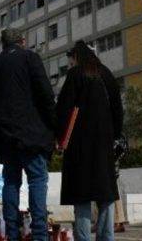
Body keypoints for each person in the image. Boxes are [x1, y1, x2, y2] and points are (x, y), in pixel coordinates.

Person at [0, 28, 56, 241]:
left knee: (11, 182)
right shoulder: (30, 58)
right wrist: (53, 126)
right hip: (31, 133)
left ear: (2, 45)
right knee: (37, 180)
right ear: (22, 40)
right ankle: (39, 234)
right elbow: (46, 95)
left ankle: (12, 233)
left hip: (3, 137)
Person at [56, 41, 123, 241]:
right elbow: (118, 108)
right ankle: (106, 237)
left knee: (82, 194)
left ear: (76, 57)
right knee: (106, 194)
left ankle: (83, 237)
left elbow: (63, 109)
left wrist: (59, 137)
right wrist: (115, 135)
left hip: (79, 144)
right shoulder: (106, 74)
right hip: (104, 142)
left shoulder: (75, 75)